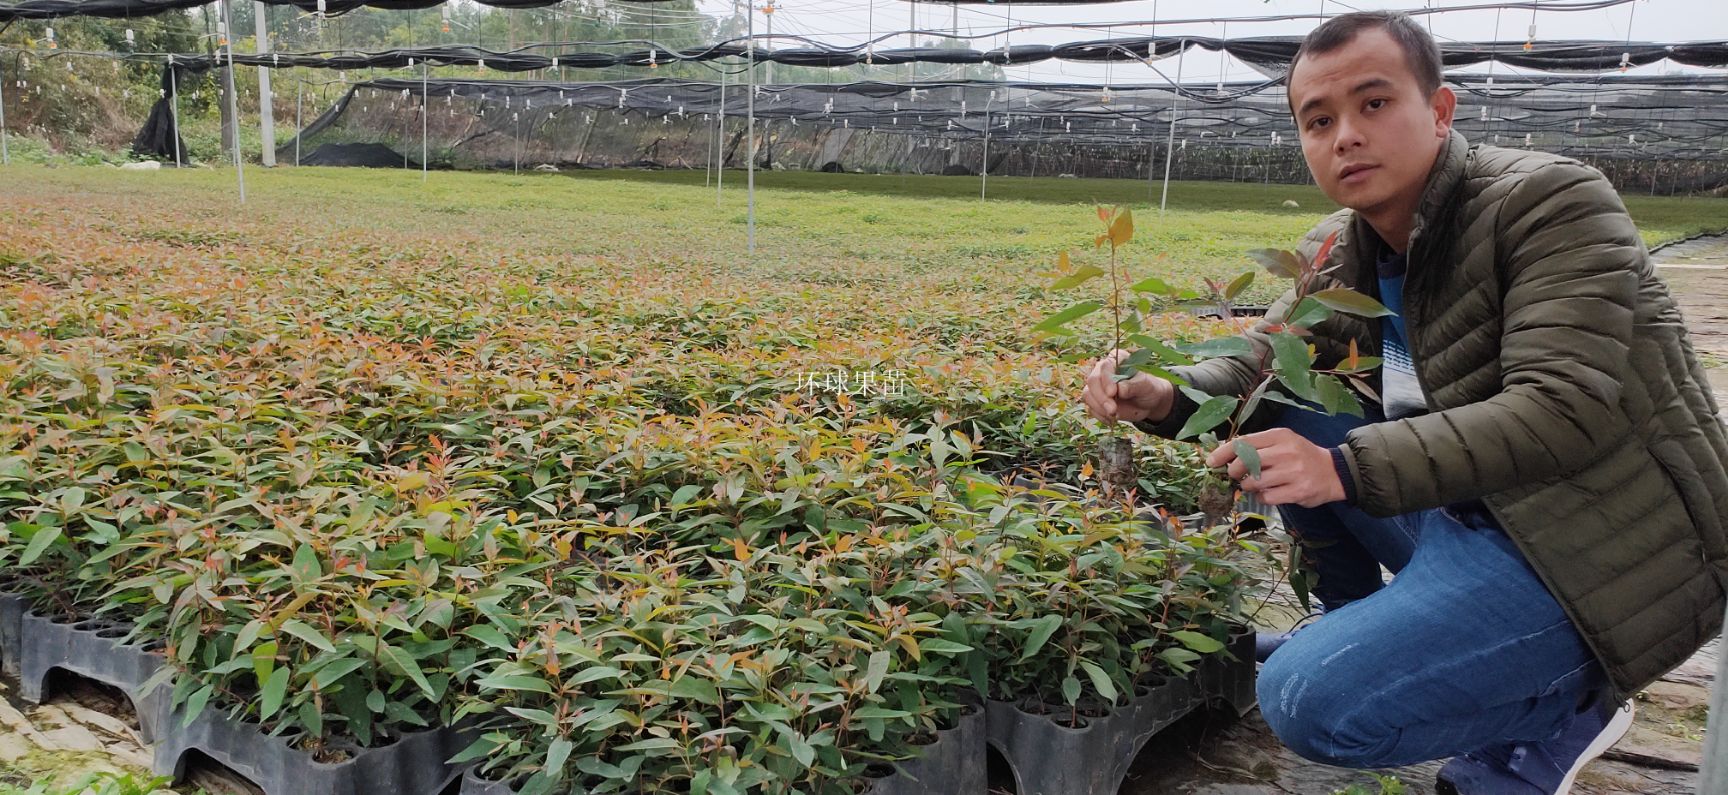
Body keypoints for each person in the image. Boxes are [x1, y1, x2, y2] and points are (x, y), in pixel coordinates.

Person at [1079, 11, 1727, 795]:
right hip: (1465, 505)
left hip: (1595, 543)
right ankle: (1358, 624)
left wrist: (1345, 468)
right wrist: (1163, 394)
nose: (1345, 134)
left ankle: (1568, 708)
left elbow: (1564, 410)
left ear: (1441, 109)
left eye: (1374, 104)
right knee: (1280, 411)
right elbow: (1266, 362)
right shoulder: (1343, 244)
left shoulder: (1548, 202)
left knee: (1308, 703)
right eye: (1318, 120)